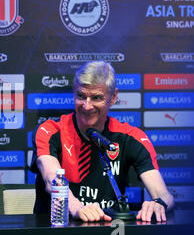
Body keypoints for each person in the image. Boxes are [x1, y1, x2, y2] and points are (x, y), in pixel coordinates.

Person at [31, 61, 174, 222]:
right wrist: (77, 208)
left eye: (96, 97)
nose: (87, 106)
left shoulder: (131, 137)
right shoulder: (50, 131)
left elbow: (164, 194)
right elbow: (52, 179)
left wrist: (159, 203)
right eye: (81, 96)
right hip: (57, 234)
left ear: (113, 98)